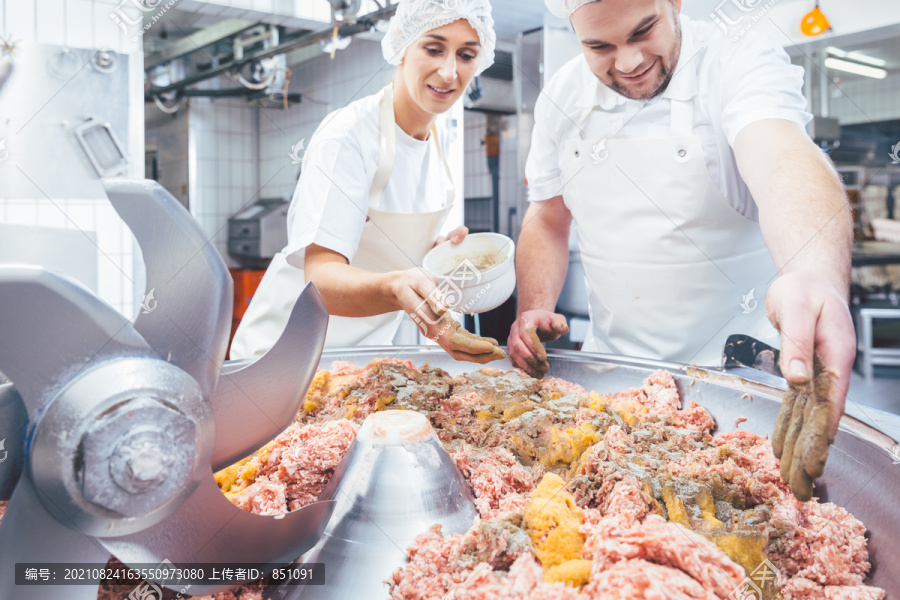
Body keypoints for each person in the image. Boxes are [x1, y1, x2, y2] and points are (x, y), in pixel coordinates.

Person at [507, 0, 855, 430]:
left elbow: (783, 157)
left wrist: (814, 275)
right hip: (613, 381)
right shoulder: (562, 95)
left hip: (740, 387)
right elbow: (546, 216)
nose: (629, 62)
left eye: (643, 30)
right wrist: (535, 310)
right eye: (599, 47)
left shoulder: (735, 56)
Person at [231, 0, 502, 363]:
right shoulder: (348, 137)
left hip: (361, 361)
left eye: (467, 55)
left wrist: (436, 256)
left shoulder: (439, 143)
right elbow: (321, 281)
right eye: (433, 48)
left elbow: (385, 250)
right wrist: (394, 287)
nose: (450, 72)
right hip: (284, 360)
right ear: (403, 46)